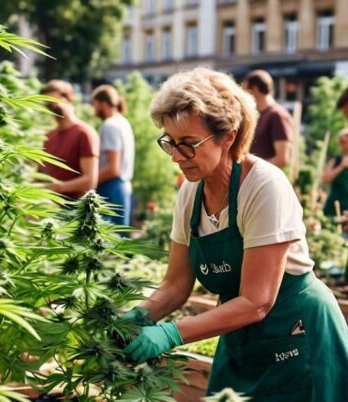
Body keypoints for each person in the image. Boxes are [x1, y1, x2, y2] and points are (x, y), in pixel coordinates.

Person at [123, 67, 348, 401]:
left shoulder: (263, 187)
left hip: (296, 335)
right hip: (240, 337)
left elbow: (256, 302)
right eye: (170, 143)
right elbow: (175, 285)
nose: (176, 157)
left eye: (188, 144)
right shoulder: (190, 193)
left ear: (227, 136)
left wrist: (171, 333)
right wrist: (134, 319)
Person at [38, 80, 99, 199]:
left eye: (55, 103)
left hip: (73, 209)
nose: (52, 109)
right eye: (48, 106)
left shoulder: (84, 133)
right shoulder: (48, 137)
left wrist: (57, 187)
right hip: (48, 208)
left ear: (68, 98)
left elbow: (90, 181)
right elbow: (40, 175)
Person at [92, 84, 135, 226]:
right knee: (119, 241)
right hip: (123, 187)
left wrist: (89, 182)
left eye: (94, 105)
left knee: (107, 240)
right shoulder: (123, 122)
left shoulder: (109, 125)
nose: (93, 110)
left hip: (111, 187)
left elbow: (113, 168)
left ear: (102, 104)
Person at [242, 69, 294, 169]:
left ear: (255, 89)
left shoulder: (278, 115)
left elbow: (282, 159)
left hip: (265, 180)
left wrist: (251, 168)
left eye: (245, 90)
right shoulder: (256, 114)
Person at [322, 129, 348, 217]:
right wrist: (341, 166)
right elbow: (325, 179)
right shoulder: (335, 161)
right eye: (343, 142)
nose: (346, 145)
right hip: (333, 207)